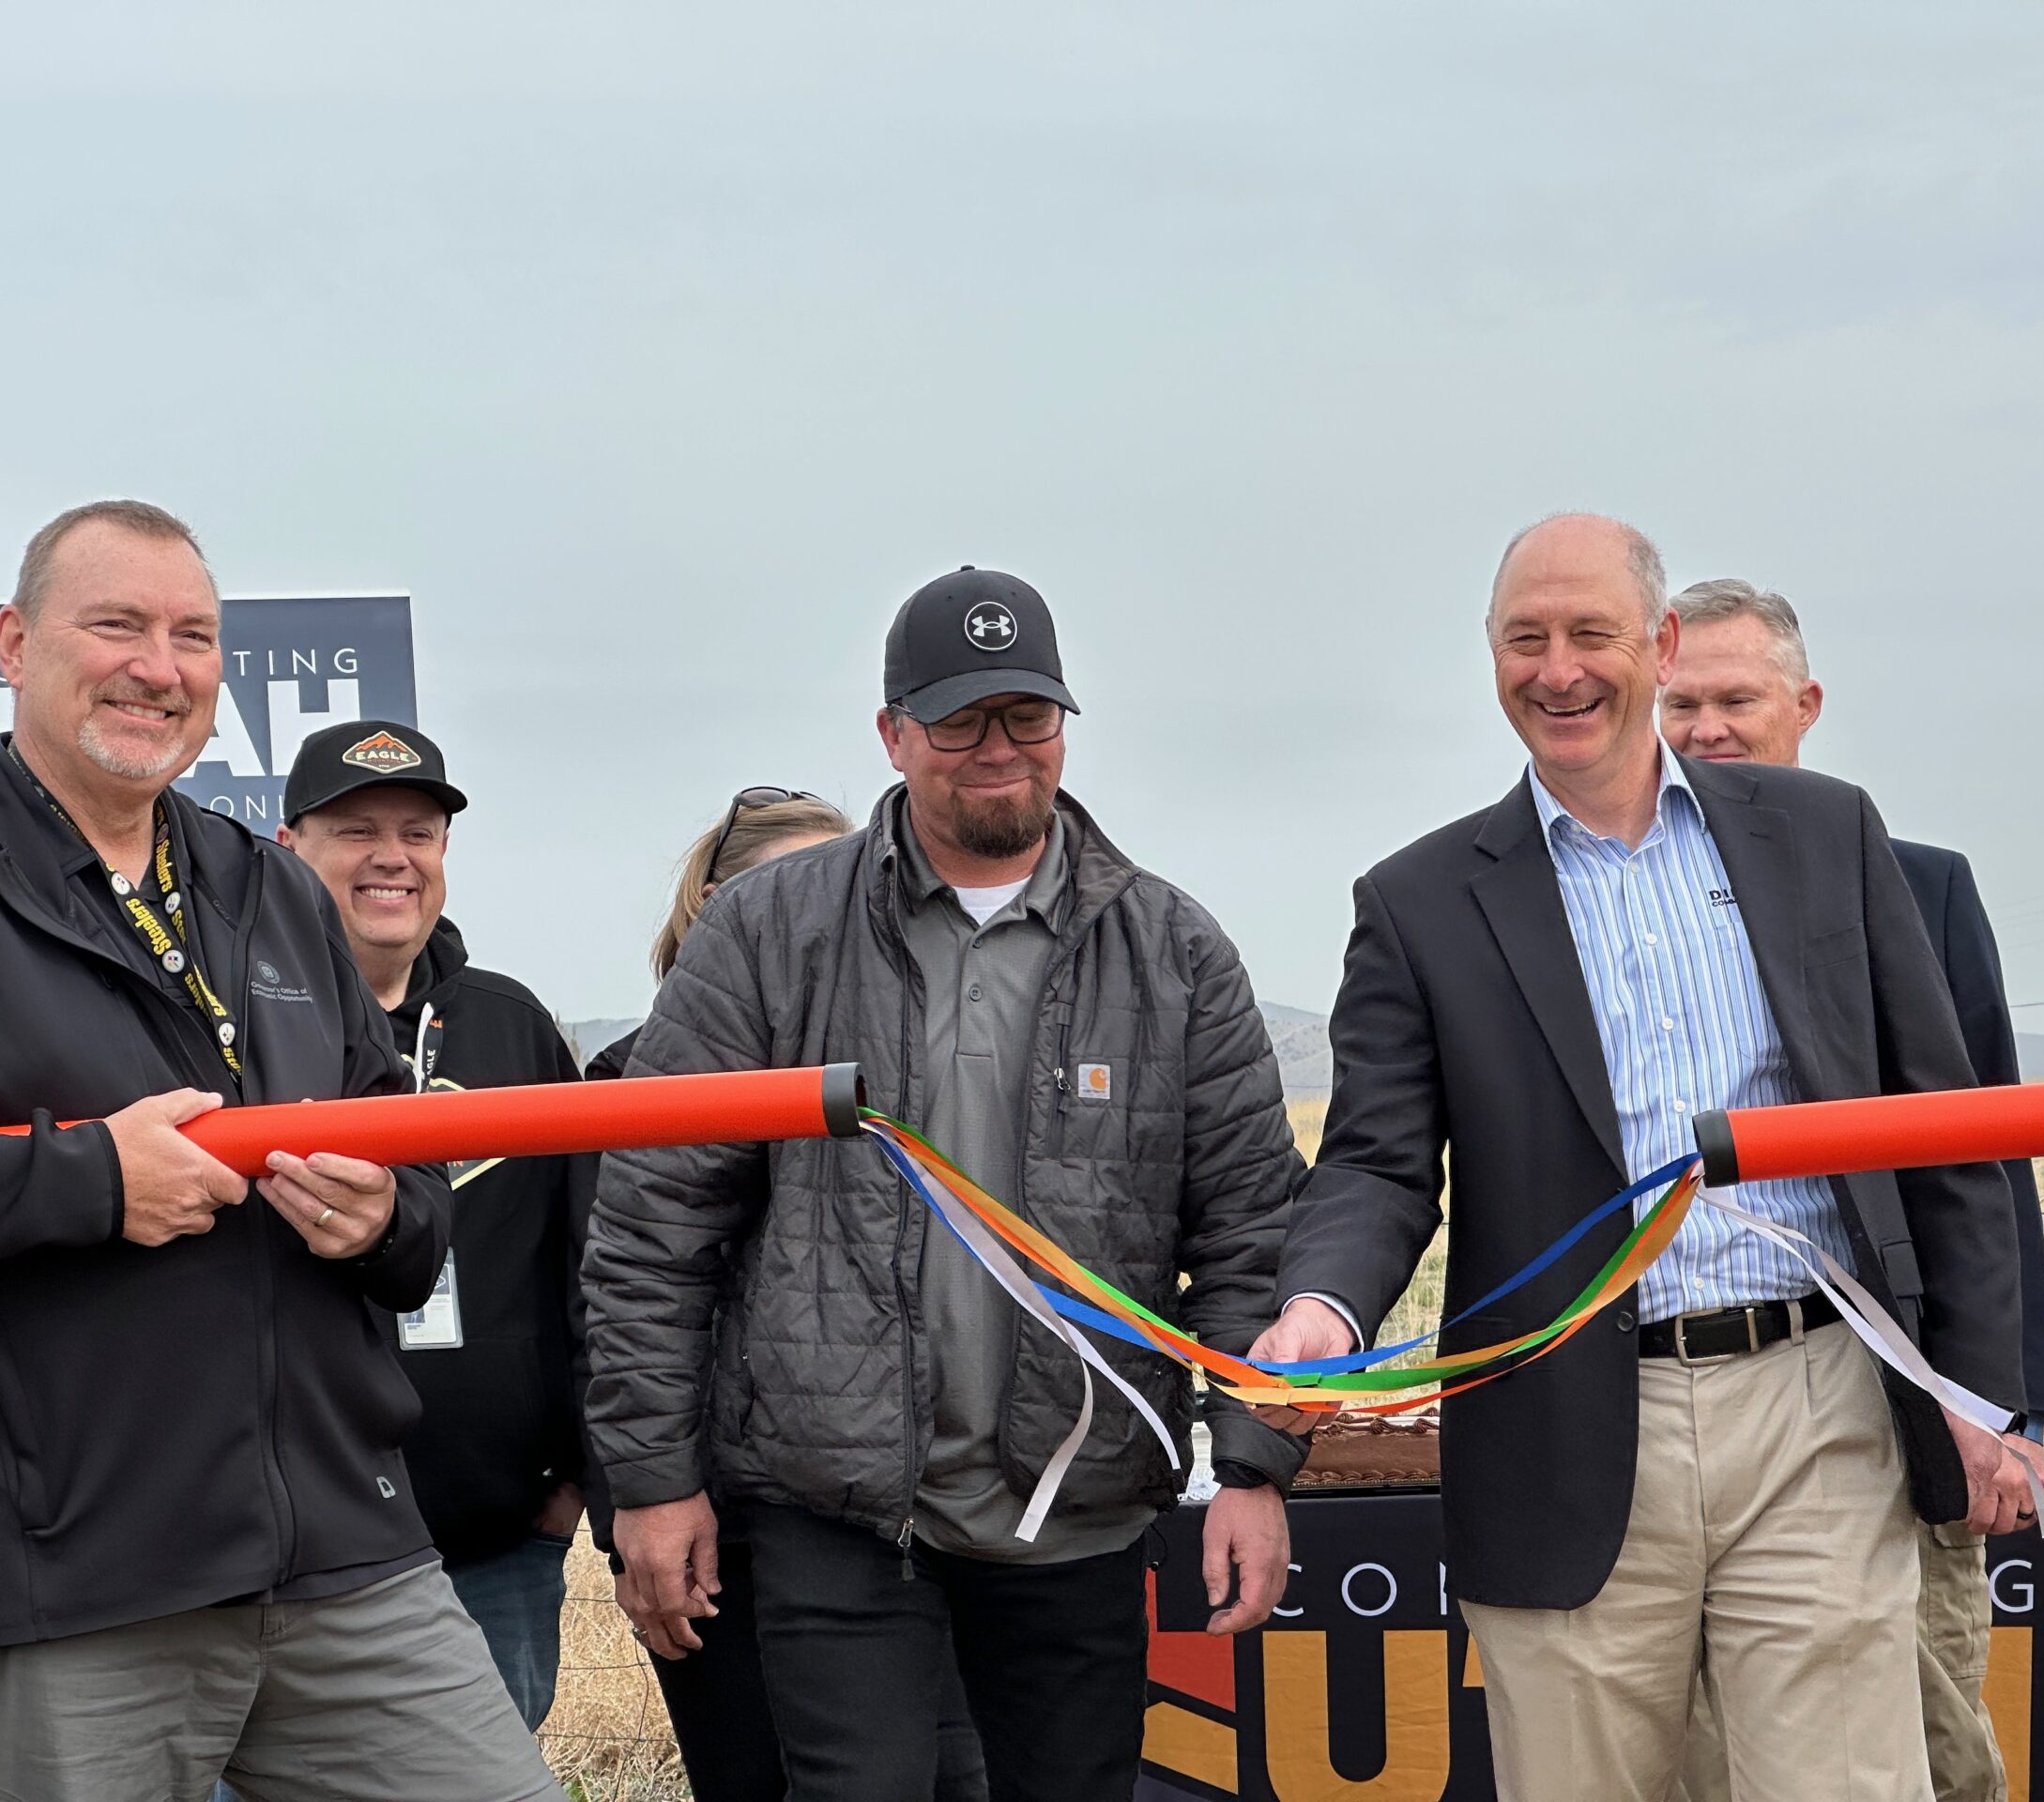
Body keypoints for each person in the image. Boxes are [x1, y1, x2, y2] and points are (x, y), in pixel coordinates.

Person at [1254, 514, 2032, 1802]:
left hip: (1817, 1406)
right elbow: (1378, 1164)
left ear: (1657, 645)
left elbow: (1938, 1121)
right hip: (1562, 1432)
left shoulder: (1824, 834)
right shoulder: (1419, 900)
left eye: (1591, 634)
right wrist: (1319, 1306)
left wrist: (1982, 1394)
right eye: (1525, 639)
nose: (1557, 669)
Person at [582, 566, 1308, 1802]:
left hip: (1076, 1509)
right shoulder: (766, 933)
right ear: (894, 733)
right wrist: (653, 1485)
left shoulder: (1175, 949)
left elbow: (1248, 1232)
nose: (998, 749)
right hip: (839, 1513)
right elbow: (653, 1232)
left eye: (1028, 716)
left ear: (1065, 728)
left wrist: (1251, 1468)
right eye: (961, 718)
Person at [0, 499, 561, 1802]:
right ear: (16, 643)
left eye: (193, 635)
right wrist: (88, 1181)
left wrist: (382, 1220)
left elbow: (414, 1183)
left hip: (348, 1559)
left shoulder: (270, 892)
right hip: (77, 1589)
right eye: (118, 625)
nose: (160, 666)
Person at [1658, 577, 2044, 1802]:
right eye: (1681, 704)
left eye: (1735, 699)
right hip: (1692, 1419)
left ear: (1806, 703)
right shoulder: (1618, 896)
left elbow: (1985, 1151)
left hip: (1908, 1409)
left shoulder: (1921, 884)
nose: (1706, 729)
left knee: (1933, 1743)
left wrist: (2005, 1407)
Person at [586, 786, 984, 1802]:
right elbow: (614, 1305)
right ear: (713, 906)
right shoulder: (625, 1084)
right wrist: (635, 1492)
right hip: (711, 1512)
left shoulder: (896, 1090)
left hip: (880, 1508)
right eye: (782, 889)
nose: (813, 916)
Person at [277, 718, 593, 1734]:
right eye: (356, 830)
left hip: (493, 1547)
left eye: (417, 832)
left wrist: (573, 1483)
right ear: (290, 848)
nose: (391, 859)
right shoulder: (236, 1032)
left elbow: (585, 1256)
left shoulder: (511, 1023)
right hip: (285, 1563)